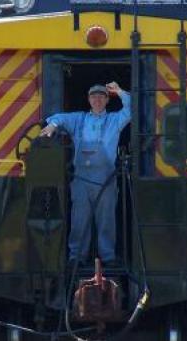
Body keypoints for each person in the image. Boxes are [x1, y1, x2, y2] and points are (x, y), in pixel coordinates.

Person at [40, 82, 130, 266]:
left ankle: (108, 257)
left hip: (106, 180)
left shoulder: (115, 120)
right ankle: (76, 257)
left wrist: (120, 92)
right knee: (79, 220)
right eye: (94, 96)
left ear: (106, 100)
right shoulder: (78, 119)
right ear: (89, 99)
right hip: (81, 180)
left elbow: (133, 108)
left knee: (107, 220)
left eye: (101, 96)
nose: (97, 100)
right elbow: (59, 118)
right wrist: (52, 126)